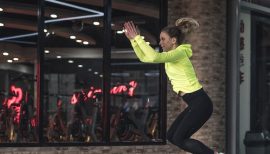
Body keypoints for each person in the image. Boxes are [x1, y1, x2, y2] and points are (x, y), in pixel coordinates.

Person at [123, 18, 221, 154]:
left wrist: (138, 37)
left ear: (173, 41)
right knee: (172, 137)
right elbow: (145, 58)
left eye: (163, 39)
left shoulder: (179, 53)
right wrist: (133, 40)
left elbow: (154, 57)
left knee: (180, 138)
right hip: (195, 103)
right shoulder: (170, 56)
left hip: (201, 103)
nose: (160, 42)